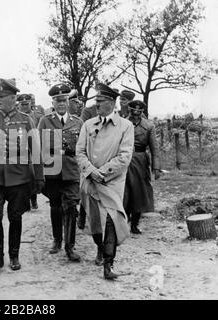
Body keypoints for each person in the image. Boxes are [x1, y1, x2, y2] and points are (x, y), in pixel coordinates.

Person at [0, 79, 44, 275]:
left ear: (13, 99)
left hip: (18, 179)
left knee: (15, 216)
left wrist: (38, 176)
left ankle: (14, 255)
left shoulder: (26, 120)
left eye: (2, 97)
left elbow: (35, 150)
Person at [76, 83, 134, 280]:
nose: (97, 105)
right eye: (96, 101)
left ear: (111, 102)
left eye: (100, 101)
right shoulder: (88, 124)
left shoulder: (126, 127)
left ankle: (108, 264)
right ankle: (100, 248)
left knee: (112, 219)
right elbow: (80, 152)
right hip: (91, 182)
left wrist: (103, 172)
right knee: (95, 222)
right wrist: (92, 171)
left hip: (112, 182)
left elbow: (125, 156)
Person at [38, 83, 84, 261]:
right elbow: (39, 146)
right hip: (52, 171)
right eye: (58, 101)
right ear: (53, 103)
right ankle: (57, 240)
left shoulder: (78, 122)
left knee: (71, 207)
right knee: (55, 207)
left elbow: (82, 149)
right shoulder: (45, 120)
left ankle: (70, 246)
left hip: (71, 171)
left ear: (69, 101)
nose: (62, 104)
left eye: (64, 100)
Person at [124, 100, 161, 234]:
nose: (136, 116)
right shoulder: (122, 123)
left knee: (139, 192)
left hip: (140, 161)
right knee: (124, 191)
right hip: (124, 160)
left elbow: (154, 148)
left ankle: (135, 224)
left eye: (139, 113)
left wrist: (156, 168)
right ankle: (124, 220)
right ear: (129, 111)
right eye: (133, 113)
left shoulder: (149, 126)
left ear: (142, 113)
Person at [17, 93, 43, 210]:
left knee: (32, 174)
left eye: (26, 104)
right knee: (22, 174)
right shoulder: (17, 116)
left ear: (30, 104)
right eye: (22, 104)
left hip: (33, 147)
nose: (24, 106)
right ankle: (25, 200)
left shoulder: (37, 116)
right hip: (21, 148)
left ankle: (33, 198)